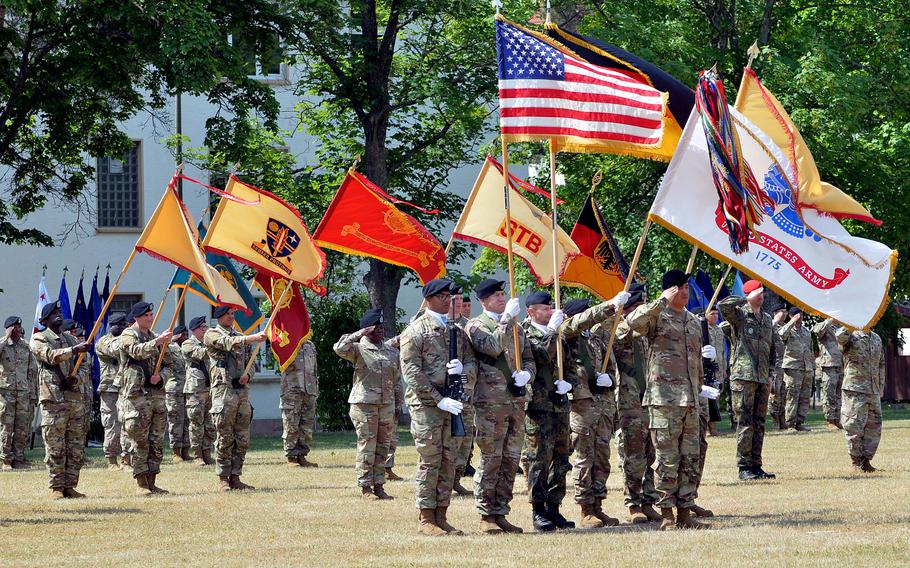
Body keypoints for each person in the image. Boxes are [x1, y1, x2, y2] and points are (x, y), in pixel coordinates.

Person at [626, 270, 712, 530]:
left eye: (687, 287)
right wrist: (661, 300)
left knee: (689, 458)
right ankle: (666, 514)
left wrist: (702, 389)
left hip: (690, 400)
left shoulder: (694, 322)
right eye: (680, 287)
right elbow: (633, 322)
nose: (685, 292)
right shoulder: (657, 316)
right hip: (664, 401)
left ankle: (685, 511)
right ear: (669, 290)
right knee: (667, 459)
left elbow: (695, 361)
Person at [400, 278, 476, 536]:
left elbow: (471, 365)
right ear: (429, 298)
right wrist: (437, 398)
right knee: (430, 461)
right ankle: (426, 518)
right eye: (443, 296)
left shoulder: (456, 329)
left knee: (449, 461)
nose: (449, 300)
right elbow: (411, 371)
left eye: (451, 296)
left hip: (453, 404)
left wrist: (462, 375)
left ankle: (442, 515)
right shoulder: (416, 330)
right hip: (427, 407)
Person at [464, 278, 534, 534]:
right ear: (483, 301)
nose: (501, 298)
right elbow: (492, 347)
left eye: (502, 294)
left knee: (510, 460)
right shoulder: (475, 326)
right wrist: (506, 319)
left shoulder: (515, 326)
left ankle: (501, 511)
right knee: (491, 458)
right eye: (495, 295)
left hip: (516, 400)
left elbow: (528, 358)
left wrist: (527, 374)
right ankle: (485, 515)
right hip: (490, 402)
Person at [561, 292, 629, 529]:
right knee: (584, 457)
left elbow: (610, 367)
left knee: (602, 457)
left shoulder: (597, 339)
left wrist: (609, 379)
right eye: (584, 312)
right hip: (581, 404)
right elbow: (580, 322)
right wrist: (609, 306)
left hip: (602, 404)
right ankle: (585, 509)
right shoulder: (567, 333)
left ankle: (598, 505)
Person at [333, 307, 400, 500]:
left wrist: (398, 404)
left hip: (386, 404)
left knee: (383, 446)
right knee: (367, 445)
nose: (380, 330)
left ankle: (379, 485)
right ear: (367, 330)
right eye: (375, 327)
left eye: (382, 327)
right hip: (364, 405)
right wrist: (359, 333)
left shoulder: (390, 351)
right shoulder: (358, 349)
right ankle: (365, 487)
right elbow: (339, 348)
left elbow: (396, 380)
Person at [519, 290, 572, 532]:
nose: (550, 311)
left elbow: (569, 363)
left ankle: (554, 507)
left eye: (551, 308)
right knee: (538, 459)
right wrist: (551, 330)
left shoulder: (557, 334)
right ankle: (538, 510)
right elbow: (540, 356)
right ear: (531, 312)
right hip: (538, 406)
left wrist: (570, 383)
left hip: (559, 404)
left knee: (561, 459)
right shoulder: (524, 333)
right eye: (544, 308)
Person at [717, 280, 777, 482]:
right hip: (743, 377)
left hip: (761, 377)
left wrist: (770, 374)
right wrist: (745, 298)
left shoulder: (767, 319)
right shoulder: (740, 316)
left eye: (762, 292)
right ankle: (744, 467)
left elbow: (772, 349)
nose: (761, 295)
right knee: (745, 422)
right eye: (757, 293)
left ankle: (756, 465)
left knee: (759, 423)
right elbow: (723, 306)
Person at [30, 301, 90, 498]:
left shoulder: (71, 339)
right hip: (53, 399)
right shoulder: (39, 338)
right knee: (55, 444)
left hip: (74, 398)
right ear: (44, 319)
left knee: (75, 445)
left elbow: (84, 365)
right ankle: (56, 487)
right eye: (54, 313)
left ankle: (70, 485)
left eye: (60, 312)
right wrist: (73, 351)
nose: (59, 315)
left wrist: (77, 378)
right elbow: (49, 356)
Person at [204, 305, 267, 491]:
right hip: (223, 392)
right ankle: (223, 478)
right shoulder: (212, 334)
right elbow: (227, 343)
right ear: (219, 317)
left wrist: (249, 375)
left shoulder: (240, 336)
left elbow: (252, 362)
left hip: (241, 393)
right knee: (224, 436)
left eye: (233, 314)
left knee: (242, 438)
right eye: (228, 314)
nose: (232, 317)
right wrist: (252, 338)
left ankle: (236, 476)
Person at [614, 283, 662, 524]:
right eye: (638, 305)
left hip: (650, 399)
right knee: (633, 454)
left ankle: (648, 500)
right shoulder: (619, 326)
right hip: (629, 399)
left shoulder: (645, 332)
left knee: (650, 452)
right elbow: (625, 331)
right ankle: (633, 504)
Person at [118, 301, 173, 496]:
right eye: (146, 315)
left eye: (151, 315)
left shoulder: (156, 337)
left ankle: (152, 480)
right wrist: (158, 342)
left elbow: (170, 363)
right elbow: (135, 351)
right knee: (139, 440)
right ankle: (141, 482)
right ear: (137, 318)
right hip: (137, 396)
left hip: (156, 395)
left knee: (156, 440)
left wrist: (162, 377)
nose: (150, 318)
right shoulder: (128, 335)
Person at [835, 325, 885, 472]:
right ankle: (856, 461)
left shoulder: (876, 338)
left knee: (874, 426)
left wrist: (880, 386)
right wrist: (851, 323)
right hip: (854, 388)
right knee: (853, 425)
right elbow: (839, 338)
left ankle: (866, 460)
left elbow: (881, 363)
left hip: (873, 389)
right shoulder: (851, 334)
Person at [0, 316, 38, 470]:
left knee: (22, 426)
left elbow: (32, 370)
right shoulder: (2, 344)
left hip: (23, 392)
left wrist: (33, 393)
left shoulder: (25, 346)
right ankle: (6, 460)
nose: (17, 329)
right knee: (6, 426)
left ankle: (19, 458)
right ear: (8, 328)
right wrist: (6, 338)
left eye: (18, 327)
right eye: (14, 327)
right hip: (6, 391)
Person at [96, 312, 127, 470]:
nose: (122, 328)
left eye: (124, 325)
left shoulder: (127, 339)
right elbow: (116, 349)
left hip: (125, 387)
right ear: (110, 326)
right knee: (112, 424)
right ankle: (111, 459)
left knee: (127, 424)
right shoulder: (103, 342)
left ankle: (126, 457)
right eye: (118, 325)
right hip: (109, 388)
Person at [182, 316, 215, 466]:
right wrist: (216, 345)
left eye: (205, 326)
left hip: (210, 388)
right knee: (196, 423)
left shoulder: (207, 343)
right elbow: (202, 354)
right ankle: (197, 455)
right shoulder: (187, 344)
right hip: (195, 390)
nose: (205, 328)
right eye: (202, 327)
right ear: (194, 329)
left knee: (210, 423)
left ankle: (207, 452)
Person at [281, 340, 319, 468]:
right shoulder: (285, 342)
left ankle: (302, 455)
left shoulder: (310, 345)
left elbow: (314, 369)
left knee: (306, 426)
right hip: (292, 390)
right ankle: (291, 456)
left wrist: (315, 388)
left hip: (309, 390)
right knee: (291, 425)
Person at [779, 307, 815, 432]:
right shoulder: (788, 329)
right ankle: (790, 424)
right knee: (792, 396)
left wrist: (813, 367)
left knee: (804, 397)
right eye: (797, 314)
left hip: (807, 368)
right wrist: (791, 322)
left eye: (801, 314)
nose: (800, 316)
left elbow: (810, 349)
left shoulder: (806, 331)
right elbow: (781, 335)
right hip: (793, 367)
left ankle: (799, 422)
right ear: (791, 315)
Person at [813, 318, 844, 430]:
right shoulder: (824, 326)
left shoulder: (842, 328)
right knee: (829, 393)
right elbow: (816, 331)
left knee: (839, 395)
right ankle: (830, 420)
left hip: (841, 364)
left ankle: (838, 419)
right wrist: (829, 321)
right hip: (829, 365)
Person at [165, 325, 190, 462]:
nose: (185, 336)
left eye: (186, 334)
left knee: (187, 420)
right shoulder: (170, 347)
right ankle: (175, 452)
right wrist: (170, 340)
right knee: (175, 420)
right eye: (182, 334)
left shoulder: (187, 348)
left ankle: (186, 450)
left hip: (188, 388)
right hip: (174, 389)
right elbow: (158, 350)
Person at [766, 307, 787, 430]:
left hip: (786, 364)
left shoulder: (787, 327)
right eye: (781, 312)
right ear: (775, 313)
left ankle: (782, 419)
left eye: (785, 312)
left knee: (784, 393)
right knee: (775, 393)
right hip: (775, 364)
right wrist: (774, 321)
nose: (784, 314)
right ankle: (774, 420)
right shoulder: (770, 325)